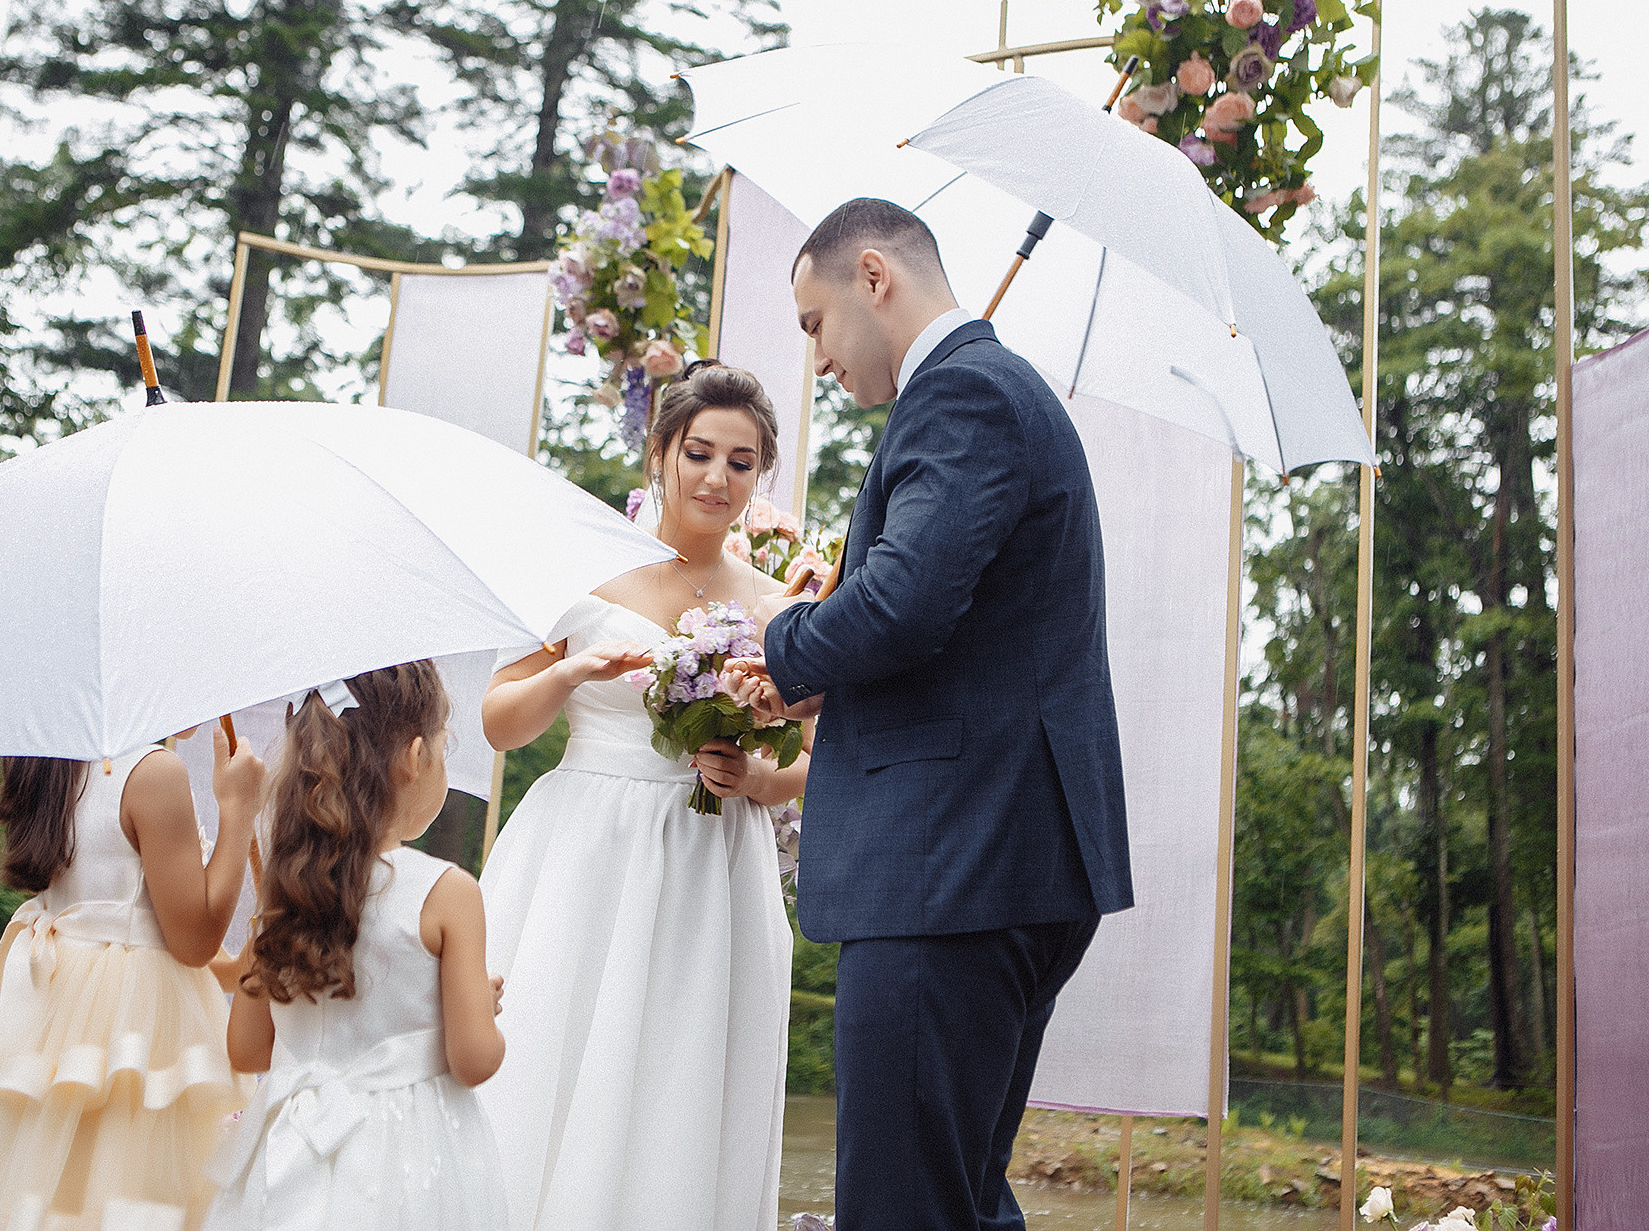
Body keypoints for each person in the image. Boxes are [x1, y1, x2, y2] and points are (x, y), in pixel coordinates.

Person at [731, 198, 1134, 1231]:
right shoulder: (982, 393)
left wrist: (782, 644)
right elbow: (938, 611)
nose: (814, 361)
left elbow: (903, 603)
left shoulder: (963, 396)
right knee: (952, 1201)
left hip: (947, 863)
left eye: (813, 324)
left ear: (873, 277)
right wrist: (837, 657)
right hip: (991, 858)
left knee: (903, 1207)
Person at [477, 361, 808, 1231]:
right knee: (561, 1051)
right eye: (699, 452)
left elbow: (823, 750)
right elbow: (499, 722)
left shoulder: (776, 607)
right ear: (661, 451)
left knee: (682, 1074)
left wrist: (759, 779)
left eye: (741, 462)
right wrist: (572, 672)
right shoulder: (580, 576)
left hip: (714, 865)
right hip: (586, 849)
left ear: (759, 474)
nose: (716, 477)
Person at [0, 730, 269, 1231]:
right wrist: (239, 808)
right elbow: (194, 942)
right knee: (127, 1196)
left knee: (50, 1198)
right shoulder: (153, 771)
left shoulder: (63, 766)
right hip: (131, 1026)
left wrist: (252, 943)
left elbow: (151, 933)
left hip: (55, 1012)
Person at [205, 663, 508, 1231]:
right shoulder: (446, 893)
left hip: (290, 1151)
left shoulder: (282, 889)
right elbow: (475, 1060)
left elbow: (247, 1049)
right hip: (408, 1156)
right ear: (416, 757)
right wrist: (472, 1009)